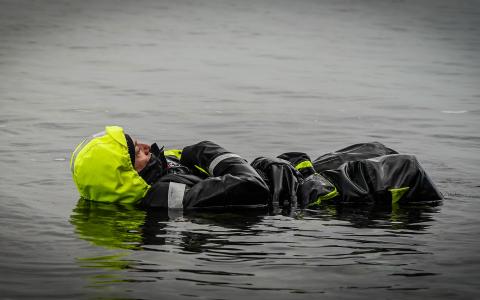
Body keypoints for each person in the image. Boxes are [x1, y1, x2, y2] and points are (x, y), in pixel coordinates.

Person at [70, 126, 442, 210]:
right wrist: (209, 150)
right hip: (307, 199)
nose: (145, 146)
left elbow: (197, 160)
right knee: (405, 169)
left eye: (136, 139)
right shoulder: (164, 195)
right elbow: (251, 189)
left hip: (292, 175)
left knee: (373, 147)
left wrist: (199, 155)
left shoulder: (162, 166)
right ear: (125, 176)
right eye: (133, 152)